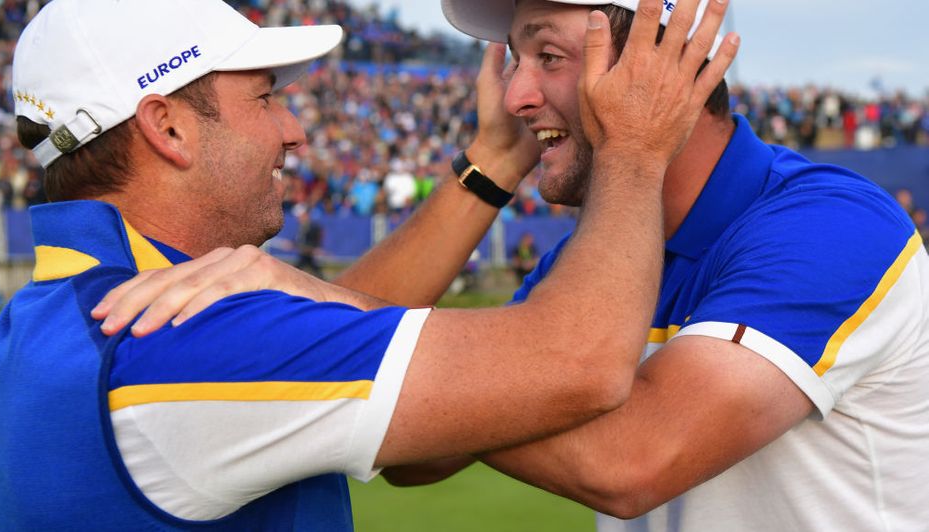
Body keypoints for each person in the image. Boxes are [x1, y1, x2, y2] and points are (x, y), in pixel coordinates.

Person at [104, 1, 929, 530]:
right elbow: (421, 455)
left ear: (663, 64)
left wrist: (313, 296)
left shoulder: (829, 225)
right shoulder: (594, 260)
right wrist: (490, 167)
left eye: (548, 57)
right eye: (514, 61)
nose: (515, 95)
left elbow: (631, 460)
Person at [0, 0, 737, 530]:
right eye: (266, 98)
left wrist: (491, 164)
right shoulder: (179, 342)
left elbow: (333, 319)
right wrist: (636, 148)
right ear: (169, 126)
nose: (293, 131)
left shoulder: (59, 316)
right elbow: (579, 362)